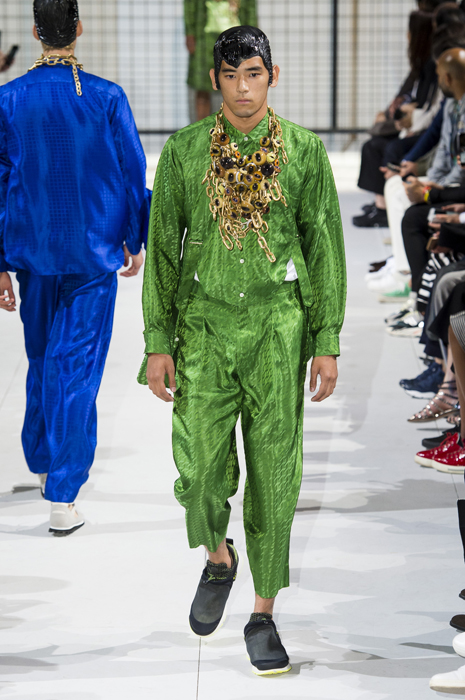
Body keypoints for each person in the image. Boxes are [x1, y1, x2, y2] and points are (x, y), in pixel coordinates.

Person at [139, 25, 346, 675]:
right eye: (230, 76)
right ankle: (218, 557)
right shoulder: (184, 152)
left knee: (275, 474)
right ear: (214, 80)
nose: (242, 89)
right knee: (200, 471)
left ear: (272, 76)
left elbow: (323, 246)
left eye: (253, 74)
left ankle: (262, 614)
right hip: (203, 328)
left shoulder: (304, 152)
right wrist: (156, 341)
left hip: (278, 329)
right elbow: (162, 251)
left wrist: (327, 339)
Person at [0, 0, 149, 535]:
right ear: (79, 29)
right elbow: (132, 169)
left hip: (33, 249)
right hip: (92, 249)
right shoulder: (106, 97)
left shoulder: (8, 99)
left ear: (35, 31)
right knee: (76, 366)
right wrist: (135, 235)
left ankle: (42, 462)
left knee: (43, 355)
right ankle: (63, 494)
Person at [353, 10, 439, 228]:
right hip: (414, 124)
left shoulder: (432, 66)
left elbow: (431, 112)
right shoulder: (421, 65)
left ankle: (383, 208)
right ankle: (381, 204)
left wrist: (409, 118)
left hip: (420, 128)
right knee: (374, 145)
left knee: (384, 147)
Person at [184, 0, 257, 122]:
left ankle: (232, 129)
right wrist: (190, 33)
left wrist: (252, 38)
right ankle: (202, 131)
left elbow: (250, 10)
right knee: (202, 88)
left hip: (236, 40)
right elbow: (190, 5)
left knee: (237, 88)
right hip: (204, 40)